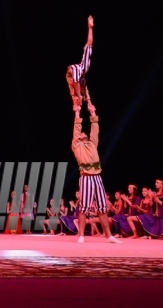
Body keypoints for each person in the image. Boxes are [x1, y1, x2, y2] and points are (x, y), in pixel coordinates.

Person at [71, 102, 121, 244]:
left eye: (83, 132)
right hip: (86, 178)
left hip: (97, 177)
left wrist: (93, 113)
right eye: (81, 133)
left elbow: (95, 130)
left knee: (102, 207)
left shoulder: (92, 143)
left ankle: (109, 236)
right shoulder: (76, 145)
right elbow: (76, 128)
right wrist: (77, 112)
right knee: (84, 207)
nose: (83, 132)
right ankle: (81, 235)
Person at [66, 16, 93, 107]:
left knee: (88, 46)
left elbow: (81, 87)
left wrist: (86, 100)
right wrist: (78, 97)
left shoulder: (80, 71)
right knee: (88, 47)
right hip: (79, 69)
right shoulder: (77, 73)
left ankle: (90, 27)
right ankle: (90, 27)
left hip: (80, 68)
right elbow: (74, 86)